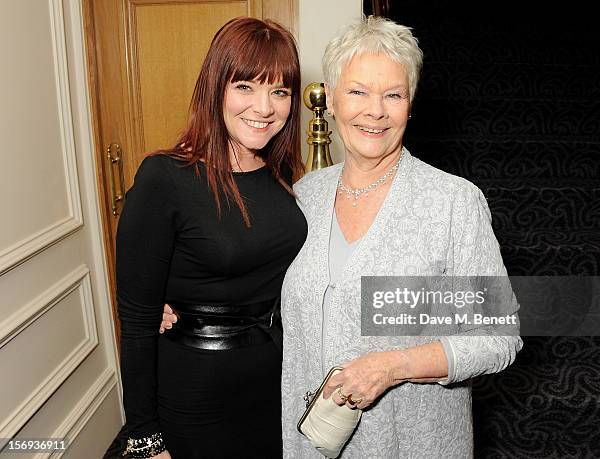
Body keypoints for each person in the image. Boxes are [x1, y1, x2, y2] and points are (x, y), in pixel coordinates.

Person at [278, 16, 522, 457]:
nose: (375, 110)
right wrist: (179, 300)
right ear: (330, 100)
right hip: (308, 444)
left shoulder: (452, 203)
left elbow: (498, 338)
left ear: (410, 105)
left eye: (393, 95)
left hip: (411, 443)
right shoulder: (303, 197)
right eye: (358, 92)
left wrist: (394, 366)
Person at [116, 17, 306, 459]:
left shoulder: (281, 176)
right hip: (197, 394)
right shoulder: (165, 177)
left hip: (274, 383)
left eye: (279, 92)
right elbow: (139, 323)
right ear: (215, 87)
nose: (264, 107)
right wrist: (145, 438)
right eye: (245, 87)